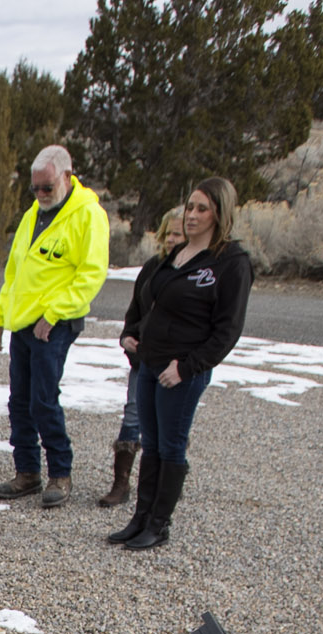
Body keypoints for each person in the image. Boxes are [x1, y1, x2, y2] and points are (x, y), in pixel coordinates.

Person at [108, 177, 253, 552]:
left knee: (171, 447)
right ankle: (141, 517)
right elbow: (151, 303)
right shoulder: (177, 255)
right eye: (190, 207)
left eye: (202, 208)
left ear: (220, 213)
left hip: (181, 372)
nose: (192, 215)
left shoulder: (229, 263)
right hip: (151, 364)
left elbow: (227, 330)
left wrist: (187, 367)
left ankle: (159, 523)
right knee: (151, 445)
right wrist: (132, 334)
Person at [0, 145, 110, 508]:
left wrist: (54, 314)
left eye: (47, 187)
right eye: (35, 189)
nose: (41, 195)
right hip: (23, 322)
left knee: (43, 399)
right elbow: (15, 272)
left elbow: (91, 274)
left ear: (67, 178)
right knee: (19, 400)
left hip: (53, 325)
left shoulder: (88, 215)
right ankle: (27, 471)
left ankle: (60, 473)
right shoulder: (32, 215)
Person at [98, 206, 184, 508]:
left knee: (169, 424)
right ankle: (121, 483)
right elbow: (135, 311)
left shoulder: (197, 274)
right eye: (169, 233)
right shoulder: (153, 268)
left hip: (177, 363)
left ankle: (166, 486)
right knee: (134, 415)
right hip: (144, 359)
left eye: (179, 234)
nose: (172, 239)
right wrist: (128, 336)